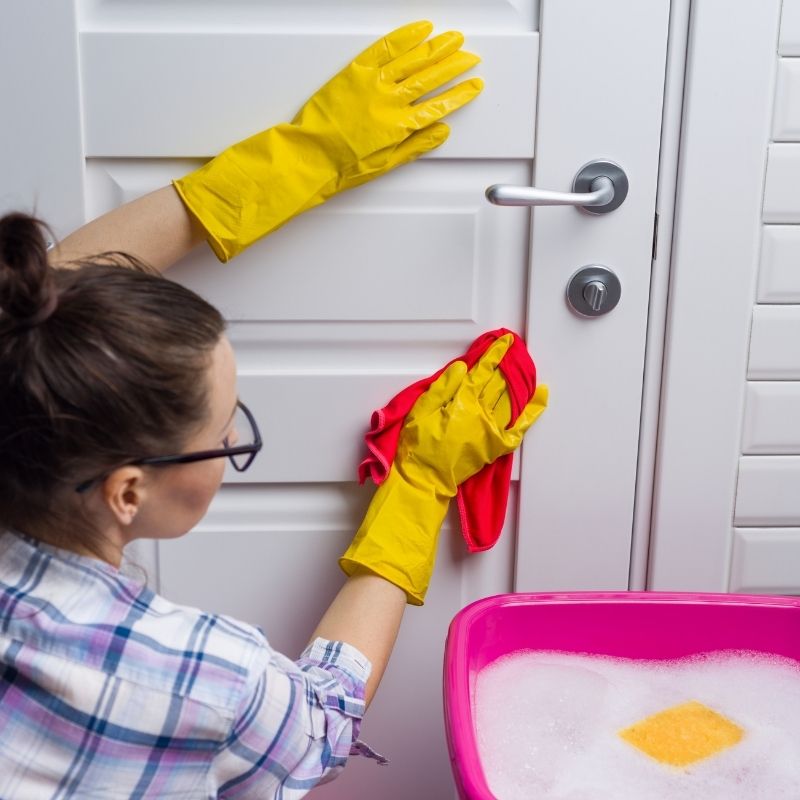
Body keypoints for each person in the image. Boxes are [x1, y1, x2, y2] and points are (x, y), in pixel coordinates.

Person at [0, 21, 546, 798]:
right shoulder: (205, 681)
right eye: (224, 435)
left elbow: (34, 311)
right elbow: (321, 719)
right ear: (127, 490)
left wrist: (299, 158)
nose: (231, 437)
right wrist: (419, 487)